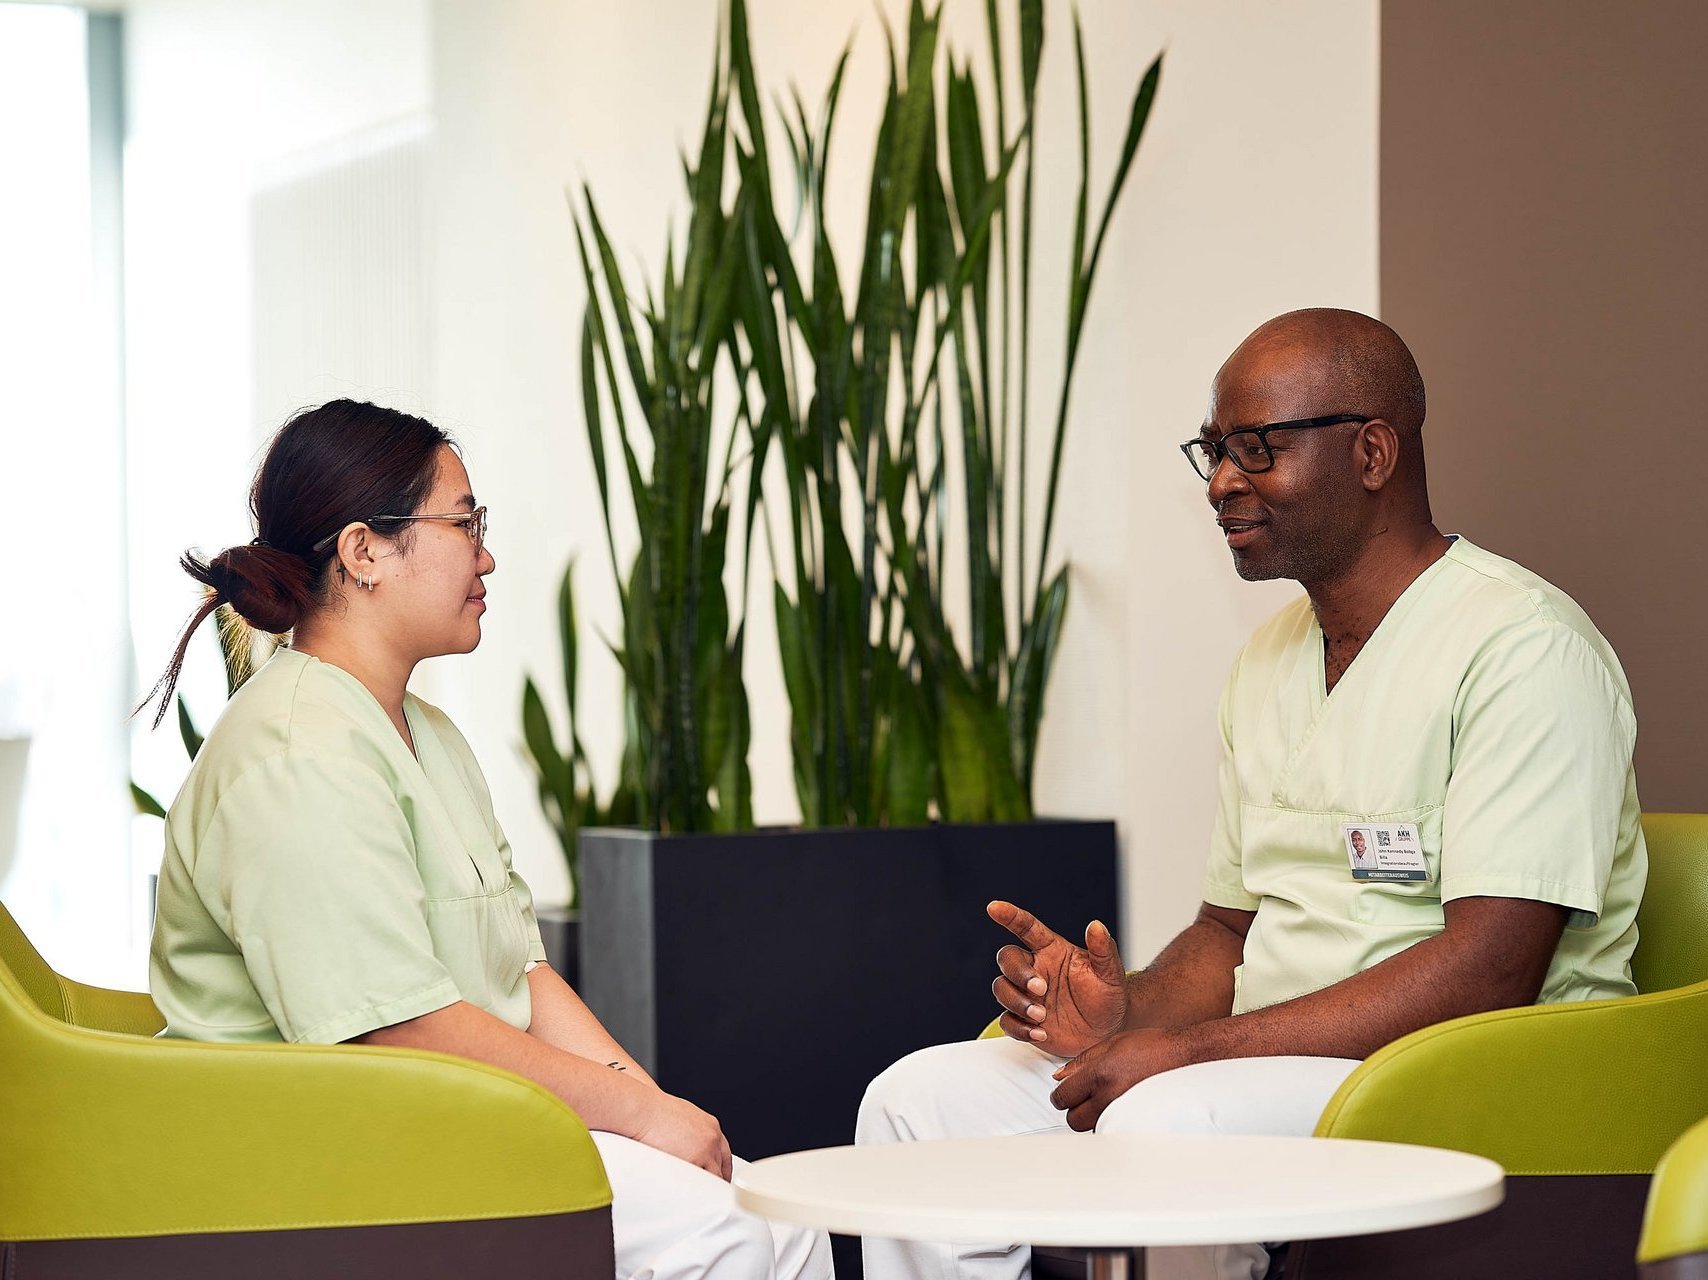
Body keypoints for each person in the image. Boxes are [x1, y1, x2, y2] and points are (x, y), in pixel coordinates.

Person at [856, 309, 1646, 1280]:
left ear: (1370, 451)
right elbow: (1229, 933)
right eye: (1214, 449)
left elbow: (1488, 968)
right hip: (1257, 1062)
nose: (1223, 480)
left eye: (1257, 448)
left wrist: (1188, 1054)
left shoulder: (1525, 649)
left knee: (1162, 1118)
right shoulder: (1269, 660)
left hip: (1466, 1069)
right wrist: (1128, 1009)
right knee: (916, 1101)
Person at [145, 400, 832, 1280]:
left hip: (462, 1119)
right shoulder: (294, 753)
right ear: (364, 553)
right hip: (330, 1153)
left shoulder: (424, 733)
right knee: (719, 1233)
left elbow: (523, 974)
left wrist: (655, 1107)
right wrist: (638, 1118)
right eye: (464, 523)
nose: (487, 554)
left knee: (786, 1222)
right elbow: (398, 1032)